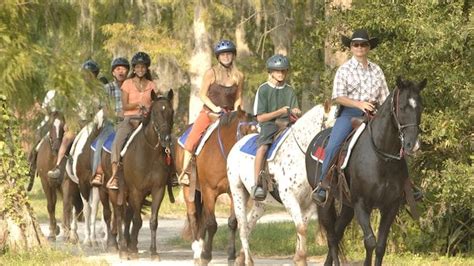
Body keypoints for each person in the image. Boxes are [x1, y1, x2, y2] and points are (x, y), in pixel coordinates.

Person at [311, 29, 389, 204]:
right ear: (351, 47)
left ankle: (407, 185)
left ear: (369, 47)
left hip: (374, 115)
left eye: (363, 44)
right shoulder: (344, 70)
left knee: (395, 140)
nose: (360, 47)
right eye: (356, 44)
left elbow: (385, 97)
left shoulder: (377, 70)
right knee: (334, 144)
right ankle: (323, 184)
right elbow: (338, 97)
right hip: (350, 114)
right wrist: (359, 104)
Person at [177, 39, 244, 185]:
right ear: (218, 57)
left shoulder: (239, 76)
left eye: (229, 54)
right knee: (192, 140)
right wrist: (214, 108)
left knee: (245, 136)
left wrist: (238, 112)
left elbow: (238, 98)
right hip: (210, 113)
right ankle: (186, 172)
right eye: (223, 55)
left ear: (233, 56)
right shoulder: (211, 73)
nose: (226, 57)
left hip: (230, 115)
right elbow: (202, 94)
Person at [251, 54, 301, 201]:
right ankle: (257, 183)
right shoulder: (264, 89)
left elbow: (295, 109)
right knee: (263, 147)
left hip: (287, 124)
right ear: (271, 72)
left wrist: (296, 111)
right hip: (269, 124)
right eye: (277, 71)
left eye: (283, 71)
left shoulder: (290, 90)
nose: (280, 73)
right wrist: (279, 112)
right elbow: (260, 117)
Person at [106, 52, 157, 190]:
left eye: (143, 67)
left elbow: (154, 103)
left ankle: (170, 174)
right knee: (117, 142)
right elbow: (125, 106)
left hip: (146, 120)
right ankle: (115, 176)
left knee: (164, 139)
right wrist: (138, 105)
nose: (140, 69)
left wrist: (150, 108)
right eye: (138, 67)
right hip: (129, 119)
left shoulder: (152, 85)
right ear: (133, 69)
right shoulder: (127, 84)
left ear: (146, 69)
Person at [47, 59, 103, 180]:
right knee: (66, 140)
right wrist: (68, 122)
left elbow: (102, 108)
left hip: (94, 123)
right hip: (78, 122)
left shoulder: (100, 91)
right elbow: (68, 108)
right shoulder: (76, 91)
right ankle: (58, 166)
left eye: (91, 74)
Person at [90, 57, 130, 186]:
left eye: (123, 69)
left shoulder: (131, 87)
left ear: (128, 71)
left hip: (130, 122)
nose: (121, 72)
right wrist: (119, 115)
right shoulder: (107, 88)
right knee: (100, 142)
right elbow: (106, 110)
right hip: (113, 123)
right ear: (113, 72)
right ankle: (98, 172)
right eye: (118, 69)